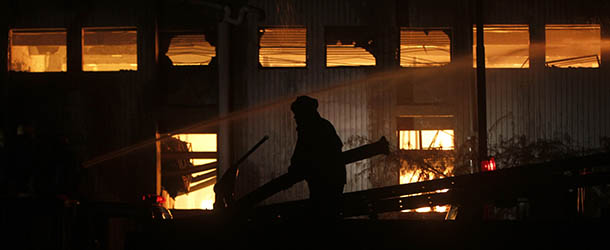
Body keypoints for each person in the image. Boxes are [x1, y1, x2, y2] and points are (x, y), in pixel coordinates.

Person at [288, 96, 346, 220]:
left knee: (322, 214)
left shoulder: (311, 128)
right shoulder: (323, 125)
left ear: (305, 113)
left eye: (297, 114)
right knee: (327, 214)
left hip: (326, 180)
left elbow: (301, 153)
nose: (295, 117)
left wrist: (293, 170)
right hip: (333, 178)